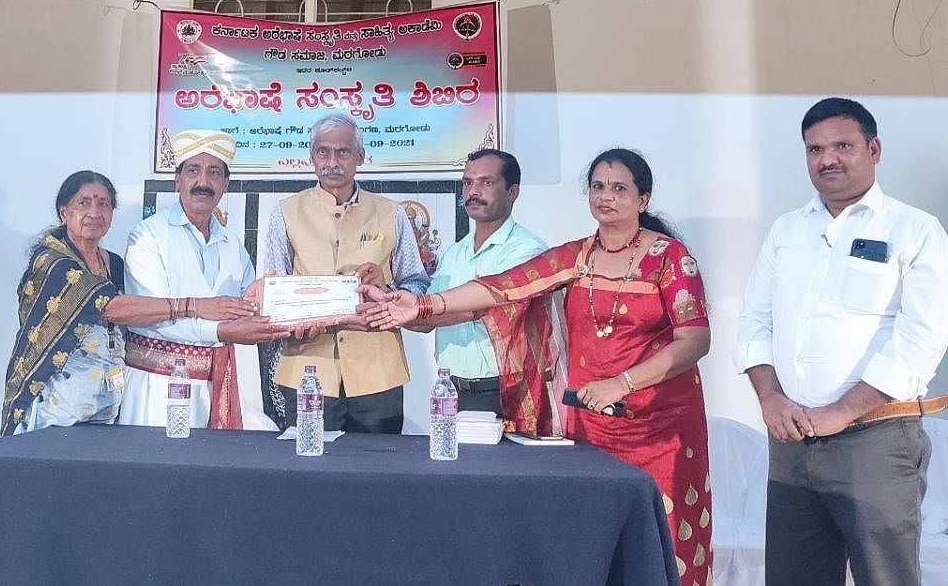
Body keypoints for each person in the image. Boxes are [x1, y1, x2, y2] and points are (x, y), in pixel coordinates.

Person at [367, 148, 713, 582]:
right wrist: (421, 303)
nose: (606, 197)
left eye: (620, 188)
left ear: (643, 199)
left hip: (661, 427)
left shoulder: (670, 258)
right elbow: (501, 288)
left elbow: (695, 341)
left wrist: (621, 384)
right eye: (598, 187)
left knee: (667, 539)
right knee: (594, 538)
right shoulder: (577, 256)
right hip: (591, 424)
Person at [736, 97, 948, 586]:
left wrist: (843, 411)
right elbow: (753, 321)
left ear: (873, 149)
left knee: (885, 578)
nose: (827, 158)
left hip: (875, 442)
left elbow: (922, 337)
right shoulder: (787, 230)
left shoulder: (913, 230)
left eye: (842, 145)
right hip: (791, 443)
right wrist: (769, 398)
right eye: (815, 149)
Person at [1, 170, 261, 435]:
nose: (94, 212)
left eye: (104, 204)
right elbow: (112, 308)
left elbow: (139, 314)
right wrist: (195, 306)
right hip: (56, 406)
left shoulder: (112, 262)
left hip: (107, 404)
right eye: (84, 203)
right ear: (64, 212)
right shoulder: (52, 262)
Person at [260, 112, 430, 433]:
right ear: (311, 158)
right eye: (323, 152)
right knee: (309, 474)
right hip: (307, 369)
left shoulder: (391, 213)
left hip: (378, 372)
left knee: (378, 472)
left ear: (361, 157)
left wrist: (388, 285)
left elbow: (418, 285)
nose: (332, 161)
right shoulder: (285, 212)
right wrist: (294, 319)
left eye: (343, 152)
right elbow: (273, 293)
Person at [119, 130, 290, 430]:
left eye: (214, 173)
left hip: (222, 384)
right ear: (178, 180)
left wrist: (270, 301)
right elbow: (153, 316)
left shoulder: (232, 244)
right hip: (160, 388)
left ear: (225, 184)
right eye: (193, 171)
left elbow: (248, 306)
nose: (203, 182)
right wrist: (224, 330)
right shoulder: (148, 236)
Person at [409, 149, 545, 417]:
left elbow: (484, 311)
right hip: (452, 390)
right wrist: (385, 301)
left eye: (487, 182)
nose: (473, 191)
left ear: (512, 192)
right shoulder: (455, 254)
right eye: (468, 182)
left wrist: (416, 308)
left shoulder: (527, 251)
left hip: (506, 390)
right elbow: (423, 321)